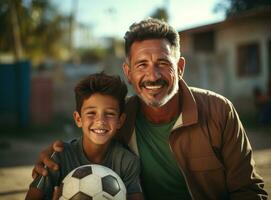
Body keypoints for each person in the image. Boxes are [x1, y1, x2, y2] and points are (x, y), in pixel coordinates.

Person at [31, 18, 268, 199]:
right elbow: (90, 143)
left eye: (163, 63)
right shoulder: (121, 119)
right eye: (142, 65)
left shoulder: (219, 111)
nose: (152, 76)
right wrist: (53, 160)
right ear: (129, 73)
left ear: (181, 67)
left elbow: (248, 190)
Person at [26, 72, 144, 200]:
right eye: (91, 113)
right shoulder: (58, 157)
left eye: (109, 114)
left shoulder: (126, 162)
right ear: (78, 119)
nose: (100, 121)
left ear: (120, 120)